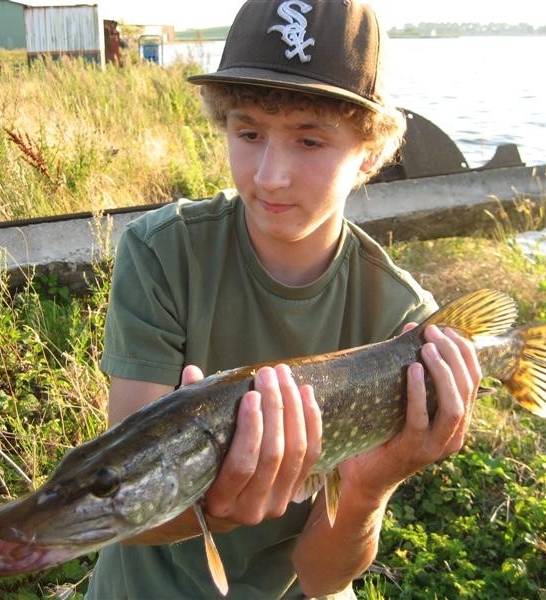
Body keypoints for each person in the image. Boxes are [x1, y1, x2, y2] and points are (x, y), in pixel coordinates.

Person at [85, 0, 481, 598]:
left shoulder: (404, 325)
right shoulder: (163, 253)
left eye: (310, 141)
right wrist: (219, 504)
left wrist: (370, 486)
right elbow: (129, 519)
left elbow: (322, 577)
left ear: (369, 153)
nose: (271, 175)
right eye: (249, 133)